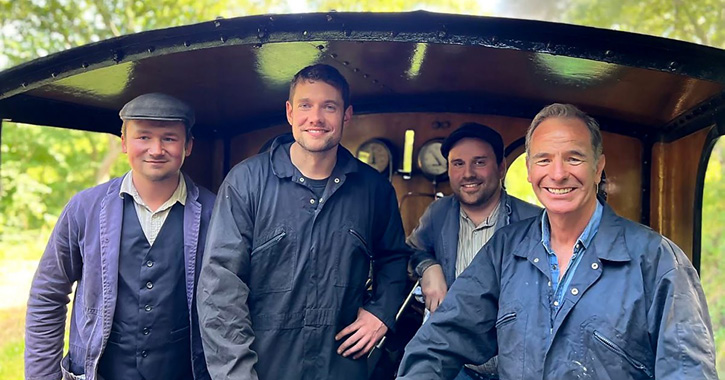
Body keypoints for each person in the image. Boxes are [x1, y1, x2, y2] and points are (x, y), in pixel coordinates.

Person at [397, 103, 718, 379]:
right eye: (544, 159)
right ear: (529, 171)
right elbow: (440, 340)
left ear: (598, 168)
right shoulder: (504, 251)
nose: (558, 173)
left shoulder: (658, 262)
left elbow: (686, 369)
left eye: (574, 158)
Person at [197, 64, 410, 380]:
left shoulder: (373, 190)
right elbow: (220, 288)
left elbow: (394, 259)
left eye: (329, 106)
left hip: (342, 367)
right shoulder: (246, 183)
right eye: (306, 105)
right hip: (263, 368)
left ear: (346, 115)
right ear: (289, 112)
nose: (316, 117)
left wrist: (380, 314)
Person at [24, 93, 215, 380]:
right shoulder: (84, 208)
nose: (156, 149)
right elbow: (47, 295)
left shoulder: (216, 212)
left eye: (169, 138)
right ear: (124, 142)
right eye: (144, 137)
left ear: (188, 146)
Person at [407, 123, 540, 379]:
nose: (468, 173)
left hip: (515, 368)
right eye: (458, 164)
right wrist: (427, 267)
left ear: (501, 167)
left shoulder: (533, 221)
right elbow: (409, 252)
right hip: (456, 367)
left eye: (479, 162)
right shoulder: (438, 213)